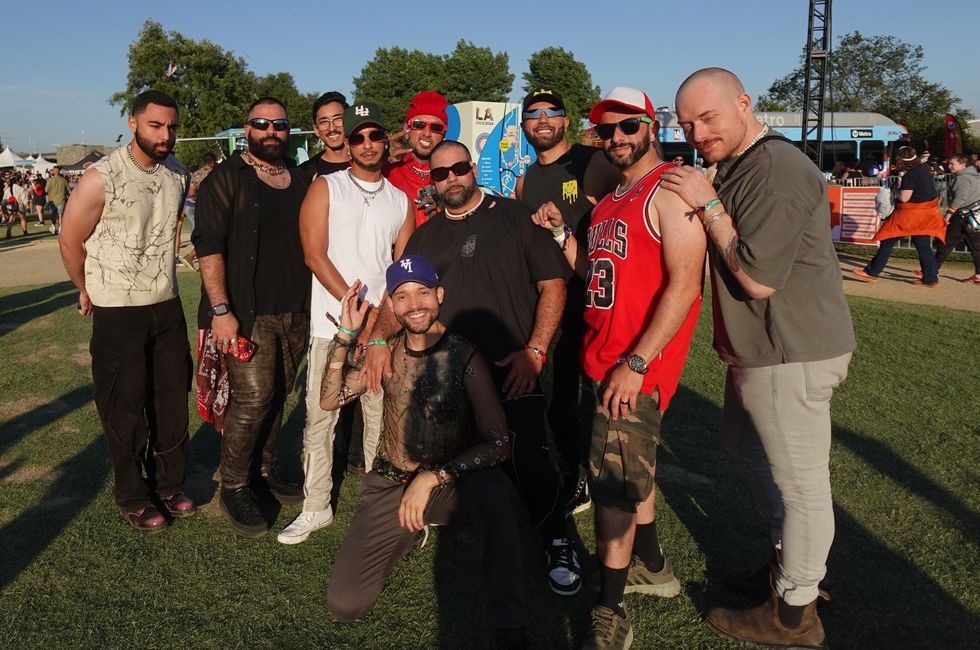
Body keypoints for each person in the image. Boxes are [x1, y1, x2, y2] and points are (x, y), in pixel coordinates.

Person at [661, 67, 855, 649]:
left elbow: (757, 279)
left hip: (789, 349)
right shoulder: (745, 164)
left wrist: (708, 204)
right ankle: (789, 564)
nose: (698, 134)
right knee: (745, 450)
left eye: (708, 118)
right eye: (687, 125)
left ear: (744, 103)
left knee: (801, 488)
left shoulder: (774, 167)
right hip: (764, 349)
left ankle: (794, 611)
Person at [363, 140, 579, 597]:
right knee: (454, 456)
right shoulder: (425, 236)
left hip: (514, 364)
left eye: (459, 168)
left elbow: (553, 285)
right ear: (432, 181)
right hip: (450, 374)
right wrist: (379, 338)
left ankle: (556, 538)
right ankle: (453, 522)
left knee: (529, 455)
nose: (451, 179)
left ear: (473, 168)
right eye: (440, 174)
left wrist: (536, 350)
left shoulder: (516, 217)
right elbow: (397, 295)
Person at [534, 87, 705, 650]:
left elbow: (686, 285)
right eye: (606, 130)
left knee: (611, 489)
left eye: (628, 127)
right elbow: (594, 274)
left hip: (632, 367)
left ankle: (610, 609)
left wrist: (637, 362)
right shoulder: (610, 201)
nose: (616, 138)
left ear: (650, 126)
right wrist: (562, 235)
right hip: (601, 358)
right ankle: (652, 565)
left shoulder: (668, 189)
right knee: (632, 468)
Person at [325, 256, 527, 649]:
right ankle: (410, 529)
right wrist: (346, 336)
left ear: (440, 295)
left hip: (452, 483)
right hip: (391, 483)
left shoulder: (465, 358)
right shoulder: (385, 354)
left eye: (422, 292)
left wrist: (433, 477)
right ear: (391, 305)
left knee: (495, 494)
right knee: (344, 604)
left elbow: (500, 443)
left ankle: (510, 623)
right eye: (402, 296)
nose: (414, 304)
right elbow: (330, 399)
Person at [58, 90, 195, 532]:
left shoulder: (178, 173)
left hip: (166, 304)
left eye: (172, 126)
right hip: (118, 308)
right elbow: (70, 238)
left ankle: (169, 484)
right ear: (133, 123)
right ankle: (133, 494)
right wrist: (85, 289)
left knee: (172, 401)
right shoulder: (102, 177)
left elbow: (172, 231)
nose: (165, 134)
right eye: (156, 125)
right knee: (125, 405)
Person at [279, 102, 415, 544]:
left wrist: (383, 320)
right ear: (348, 143)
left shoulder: (400, 200)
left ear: (386, 140)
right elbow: (313, 254)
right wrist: (354, 307)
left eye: (375, 135)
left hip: (381, 332)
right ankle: (315, 507)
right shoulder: (326, 186)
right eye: (358, 137)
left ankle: (379, 509)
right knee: (321, 420)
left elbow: (401, 270)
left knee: (382, 418)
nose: (367, 144)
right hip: (333, 326)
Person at [192, 96, 311, 538]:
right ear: (247, 129)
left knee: (279, 393)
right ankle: (235, 484)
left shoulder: (300, 178)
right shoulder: (226, 178)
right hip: (245, 311)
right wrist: (221, 310)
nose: (271, 131)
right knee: (253, 398)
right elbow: (208, 245)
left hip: (295, 308)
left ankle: (265, 468)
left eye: (279, 125)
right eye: (262, 124)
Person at [515, 87, 619, 518]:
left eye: (551, 112)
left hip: (595, 300)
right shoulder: (525, 180)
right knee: (556, 396)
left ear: (566, 120)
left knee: (595, 396)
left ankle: (597, 477)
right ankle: (572, 472)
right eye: (533, 114)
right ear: (523, 125)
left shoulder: (591, 162)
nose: (542, 120)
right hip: (551, 302)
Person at [851, 146, 946, 287]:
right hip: (928, 214)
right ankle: (931, 278)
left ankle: (872, 272)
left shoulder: (910, 175)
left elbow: (905, 197)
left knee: (887, 240)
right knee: (923, 246)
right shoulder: (924, 171)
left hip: (910, 214)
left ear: (902, 161)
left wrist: (895, 190)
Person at [384, 91, 449, 226]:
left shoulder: (453, 173)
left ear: (443, 134)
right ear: (406, 130)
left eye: (436, 127)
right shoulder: (386, 170)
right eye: (419, 125)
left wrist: (447, 209)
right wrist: (375, 161)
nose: (427, 133)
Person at [933, 153, 980, 283]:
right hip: (974, 215)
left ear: (963, 165)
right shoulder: (974, 176)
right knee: (976, 246)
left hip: (961, 216)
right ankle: (978, 275)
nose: (949, 166)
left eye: (952, 164)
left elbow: (960, 198)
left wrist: (948, 215)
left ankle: (932, 269)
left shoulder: (962, 178)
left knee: (945, 243)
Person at [175, 152, 216, 271]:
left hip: (189, 205)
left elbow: (191, 191)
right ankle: (192, 256)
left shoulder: (197, 173)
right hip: (203, 206)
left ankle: (192, 255)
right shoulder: (213, 173)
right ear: (212, 162)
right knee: (207, 235)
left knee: (199, 233)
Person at [300, 91, 350, 180]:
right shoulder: (305, 173)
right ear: (316, 130)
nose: (332, 128)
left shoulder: (367, 163)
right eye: (324, 122)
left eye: (338, 119)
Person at [44, 166, 69, 234]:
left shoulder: (50, 180)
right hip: (61, 199)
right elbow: (68, 189)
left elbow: (46, 190)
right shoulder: (63, 180)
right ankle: (60, 228)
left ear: (54, 172)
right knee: (60, 215)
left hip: (52, 200)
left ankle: (53, 226)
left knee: (53, 214)